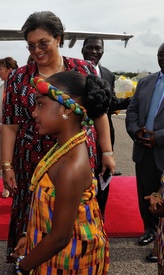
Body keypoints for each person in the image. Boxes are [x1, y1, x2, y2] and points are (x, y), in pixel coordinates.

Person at [1, 10, 115, 263]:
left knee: (72, 213)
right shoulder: (19, 77)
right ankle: (30, 255)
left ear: (58, 38)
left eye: (44, 43)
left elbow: (100, 114)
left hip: (78, 153)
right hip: (32, 158)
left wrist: (107, 152)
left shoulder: (82, 69)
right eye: (31, 45)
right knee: (34, 207)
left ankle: (72, 257)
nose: (37, 50)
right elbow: (10, 125)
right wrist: (7, 165)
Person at [11, 70, 110, 274]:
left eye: (40, 104)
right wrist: (28, 236)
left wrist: (23, 265)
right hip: (54, 254)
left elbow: (60, 237)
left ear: (67, 110)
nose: (34, 112)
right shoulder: (62, 149)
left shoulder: (71, 168)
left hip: (68, 262)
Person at [82, 35, 132, 217]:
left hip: (105, 135)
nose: (94, 52)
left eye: (98, 48)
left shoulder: (108, 74)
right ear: (82, 49)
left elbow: (109, 104)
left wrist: (134, 100)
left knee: (104, 176)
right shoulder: (75, 73)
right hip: (81, 137)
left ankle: (99, 217)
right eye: (90, 47)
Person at [126, 43, 164, 262]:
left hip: (161, 148)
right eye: (160, 55)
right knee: (146, 194)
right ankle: (149, 231)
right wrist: (135, 131)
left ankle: (160, 245)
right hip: (143, 150)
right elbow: (132, 111)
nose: (163, 59)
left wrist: (157, 137)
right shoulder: (145, 82)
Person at [0, 57, 18, 198]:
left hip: (15, 129)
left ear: (9, 70)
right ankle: (6, 185)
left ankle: (16, 184)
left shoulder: (19, 87)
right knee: (4, 158)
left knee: (15, 157)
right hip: (1, 129)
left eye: (0, 69)